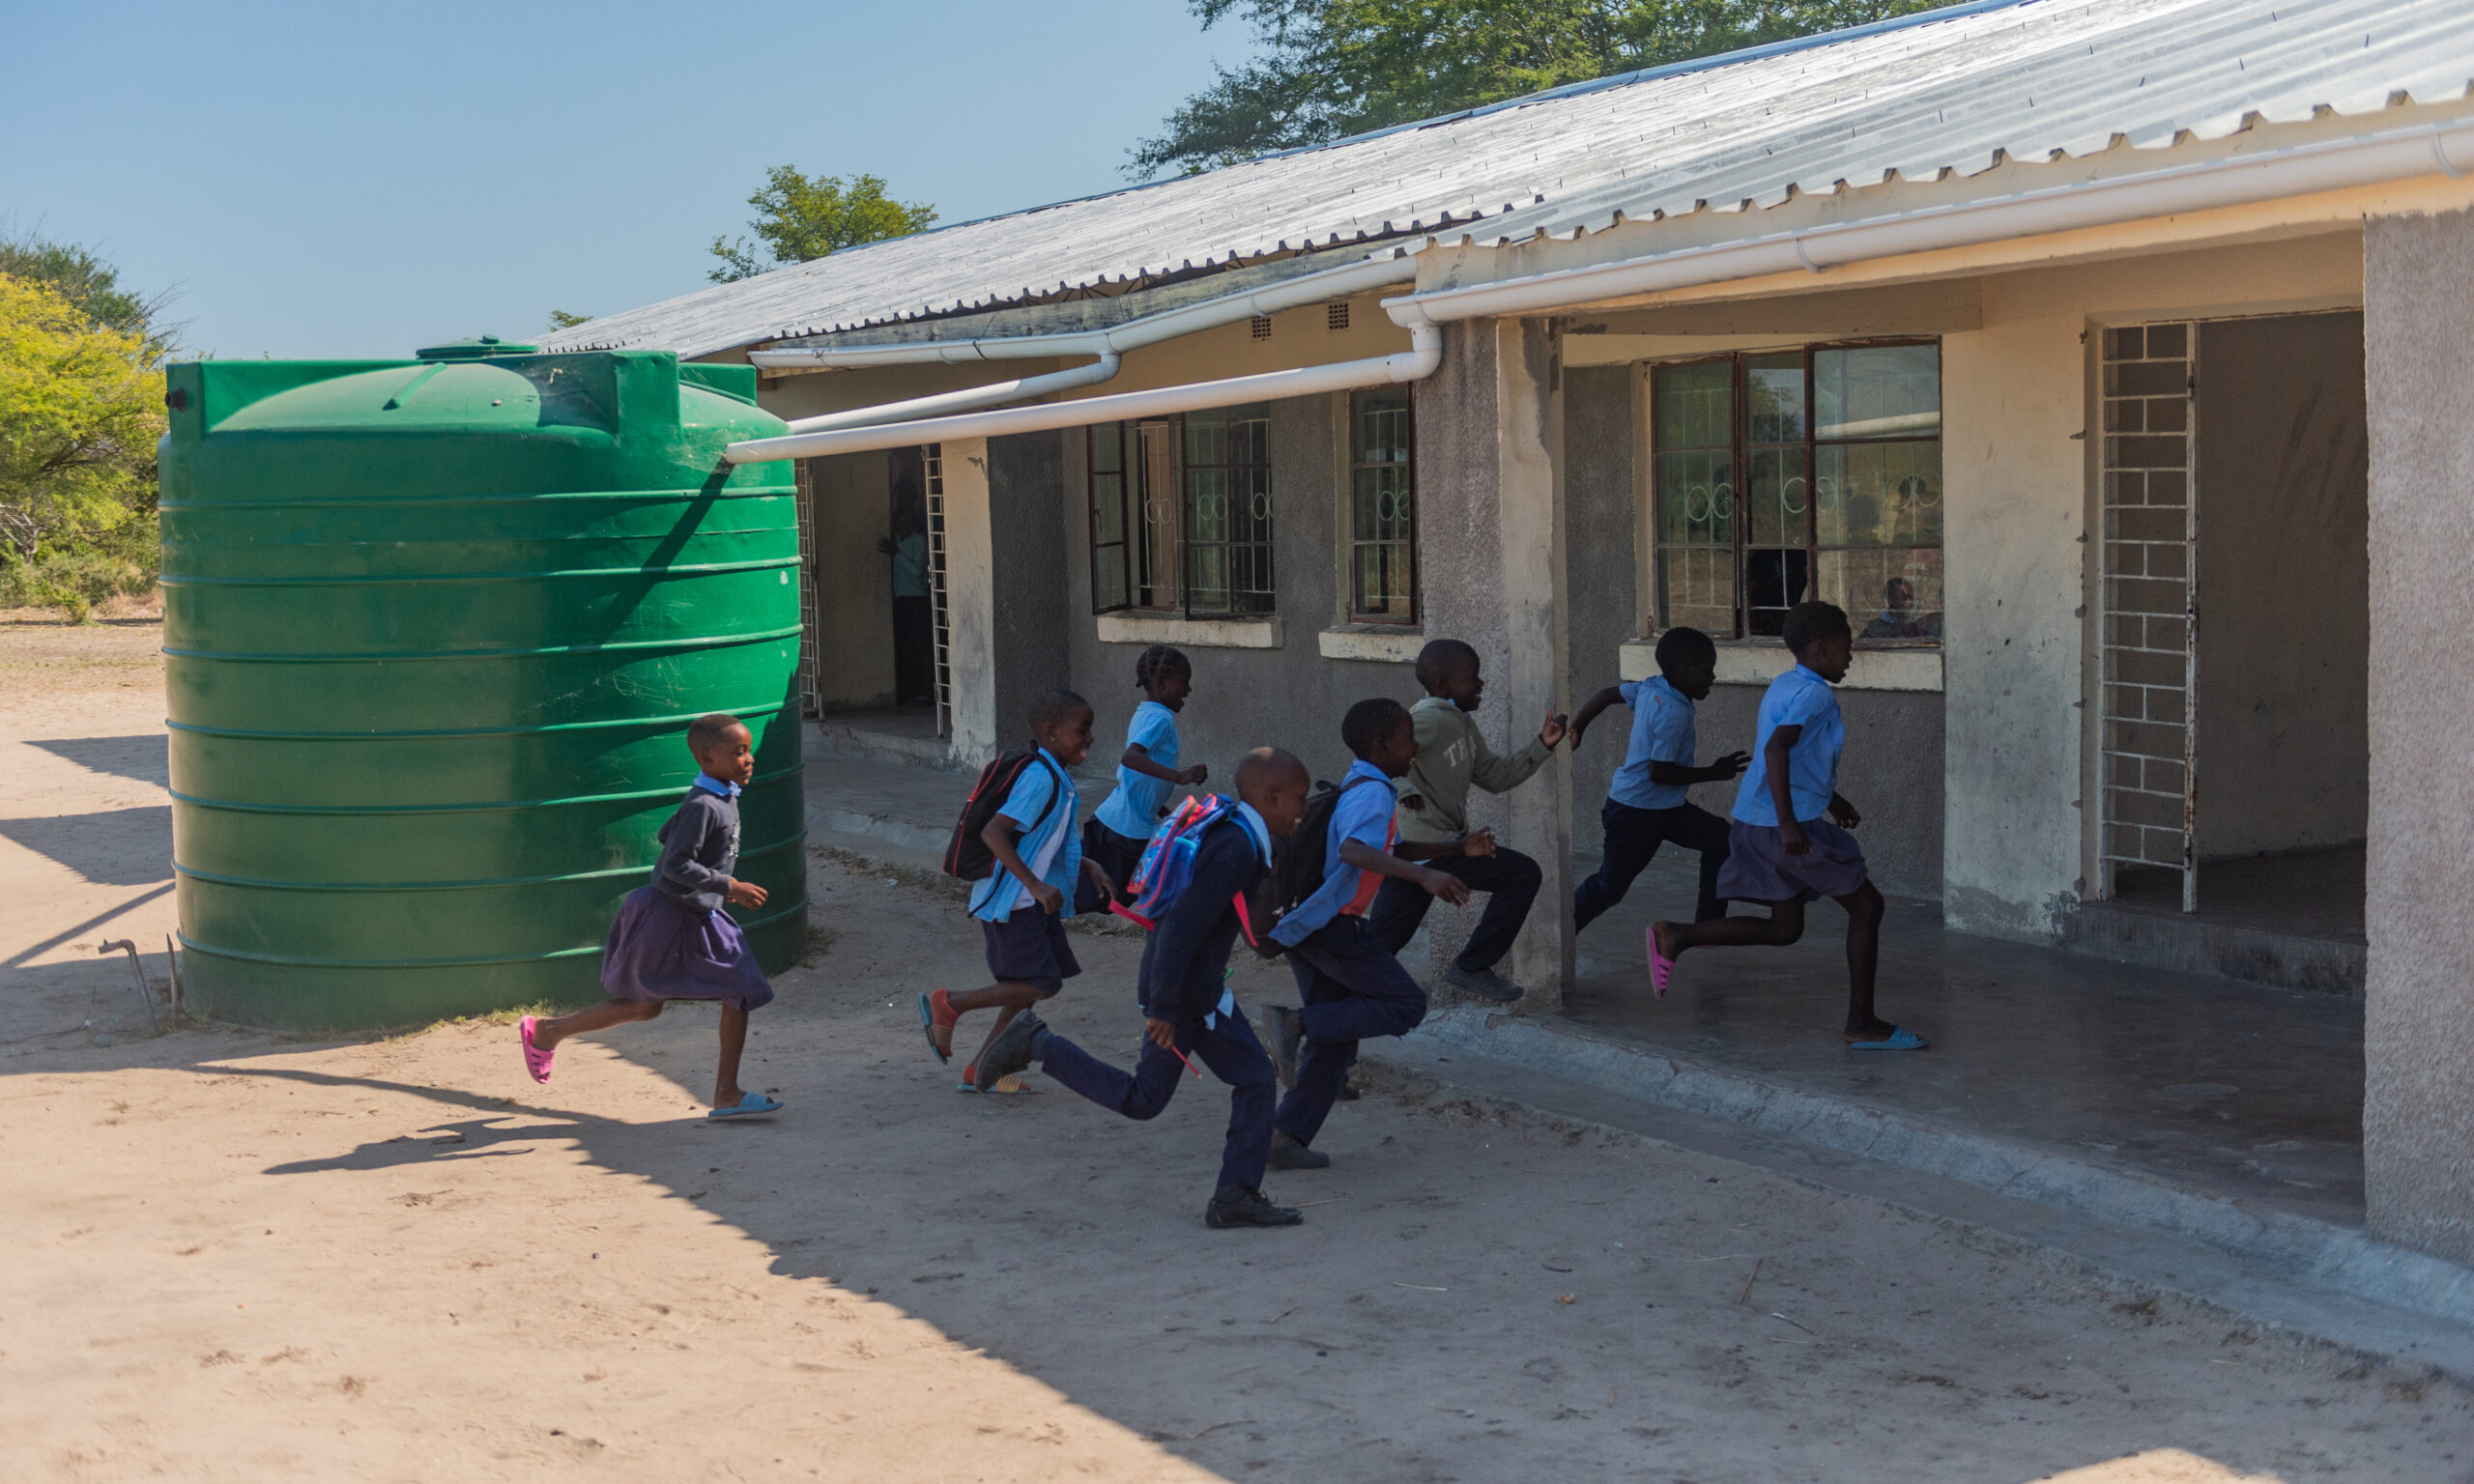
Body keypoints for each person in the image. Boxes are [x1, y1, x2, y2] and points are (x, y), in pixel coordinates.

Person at [975, 749, 1313, 1230]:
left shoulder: (1241, 831)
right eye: (1298, 799)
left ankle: (1236, 1196)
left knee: (1256, 1079)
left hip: (1197, 991)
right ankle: (1036, 1042)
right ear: (1271, 797)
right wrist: (1163, 1007)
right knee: (1144, 1099)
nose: (1303, 808)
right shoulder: (1237, 847)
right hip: (1183, 996)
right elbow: (1181, 927)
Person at [1648, 602, 1925, 1049]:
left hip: (1759, 819)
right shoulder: (1816, 694)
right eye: (1845, 648)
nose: (1850, 657)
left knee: (1785, 927)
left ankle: (1676, 935)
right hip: (1781, 826)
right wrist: (1789, 823)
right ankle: (1861, 1023)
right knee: (1867, 907)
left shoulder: (1787, 683)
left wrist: (1830, 799)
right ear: (1820, 648)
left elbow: (1790, 756)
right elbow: (1776, 751)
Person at [519, 713, 781, 1117]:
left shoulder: (718, 793)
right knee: (655, 1003)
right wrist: (728, 885)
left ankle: (549, 1031)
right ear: (708, 759)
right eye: (738, 752)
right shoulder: (705, 803)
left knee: (674, 1001)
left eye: (748, 751)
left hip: (694, 913)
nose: (748, 759)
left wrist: (711, 878)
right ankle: (550, 1031)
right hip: (668, 916)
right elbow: (674, 864)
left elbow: (666, 834)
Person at [1259, 699, 1473, 1170]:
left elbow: (1388, 846)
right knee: (1407, 1004)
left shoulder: (1362, 781)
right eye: (1407, 738)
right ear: (1381, 746)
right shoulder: (1373, 793)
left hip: (1308, 926)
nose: (1415, 746)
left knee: (1336, 1038)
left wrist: (1457, 848)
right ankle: (1295, 1023)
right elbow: (1356, 850)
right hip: (1333, 925)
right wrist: (1423, 878)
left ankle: (1283, 1138)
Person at [919, 690, 1115, 1088]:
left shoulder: (1053, 775)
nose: (1090, 738)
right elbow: (995, 833)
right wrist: (1036, 885)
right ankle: (949, 1003)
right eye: (1083, 730)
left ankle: (983, 1069)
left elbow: (1045, 838)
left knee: (1025, 990)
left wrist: (1088, 865)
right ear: (1051, 732)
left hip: (1033, 901)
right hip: (1014, 902)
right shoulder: (1039, 778)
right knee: (1041, 982)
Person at [1364, 640, 1567, 1003]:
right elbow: (1381, 758)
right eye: (1471, 678)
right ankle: (1471, 965)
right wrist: (1402, 788)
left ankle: (1318, 1007)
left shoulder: (1462, 724)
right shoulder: (1425, 717)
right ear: (1442, 686)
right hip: (1426, 844)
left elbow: (1494, 775)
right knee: (1522, 873)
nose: (1481, 684)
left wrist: (1543, 746)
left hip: (1417, 854)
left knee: (1377, 948)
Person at [1568, 627, 1749, 942]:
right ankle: (1557, 932)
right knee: (1608, 889)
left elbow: (1606, 695)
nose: (1713, 677)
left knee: (1722, 839)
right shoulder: (1674, 711)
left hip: (1666, 809)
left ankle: (1705, 929)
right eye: (1707, 670)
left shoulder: (1654, 686)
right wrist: (1715, 772)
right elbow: (1660, 772)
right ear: (1685, 671)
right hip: (1635, 813)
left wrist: (1578, 727)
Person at [1079, 644, 1208, 913]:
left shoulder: (1146, 713)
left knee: (1092, 890)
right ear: (1161, 684)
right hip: (1126, 831)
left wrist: (1167, 814)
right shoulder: (1161, 720)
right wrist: (1180, 777)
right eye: (1183, 683)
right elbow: (1130, 758)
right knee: (1173, 880)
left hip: (1115, 823)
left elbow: (1140, 780)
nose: (1188, 691)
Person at [877, 495, 933, 704]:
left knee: (921, 647)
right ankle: (911, 689)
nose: (902, 523)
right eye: (899, 520)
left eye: (906, 519)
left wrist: (896, 554)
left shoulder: (918, 541)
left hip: (917, 599)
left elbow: (918, 571)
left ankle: (927, 690)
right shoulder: (897, 540)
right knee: (905, 647)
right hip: (901, 599)